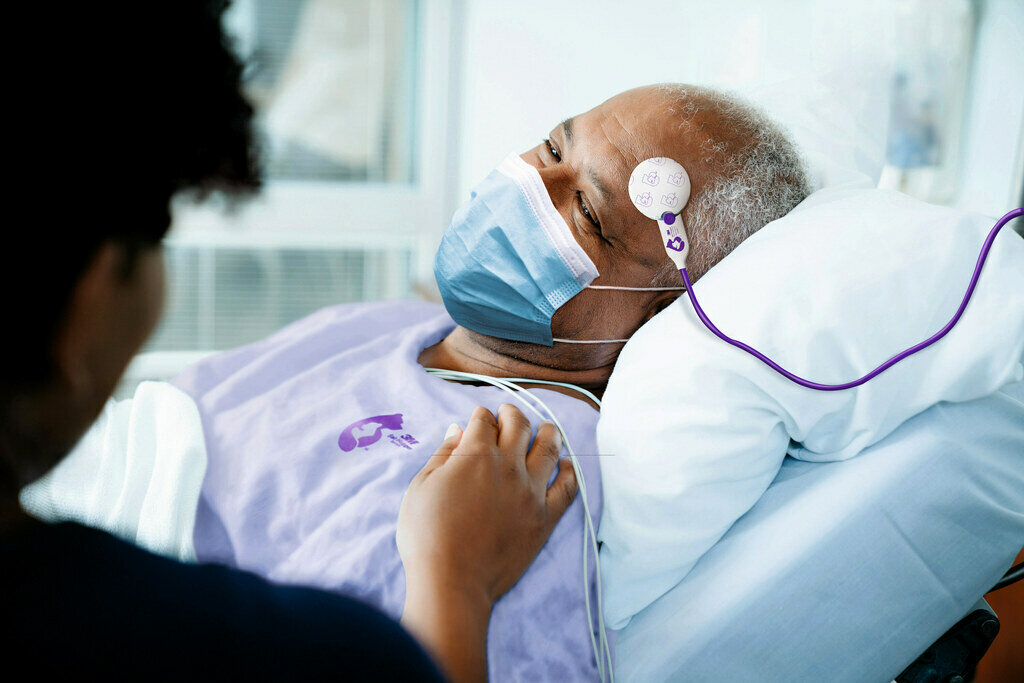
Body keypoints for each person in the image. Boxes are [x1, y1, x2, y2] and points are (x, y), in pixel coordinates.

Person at [19, 79, 811, 679]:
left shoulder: (523, 475)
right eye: (553, 147)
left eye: (590, 217)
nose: (532, 184)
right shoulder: (392, 327)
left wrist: (454, 580)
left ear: (655, 317)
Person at [0, 3, 577, 681]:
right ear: (90, 297)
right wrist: (455, 579)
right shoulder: (286, 651)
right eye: (551, 149)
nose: (535, 194)